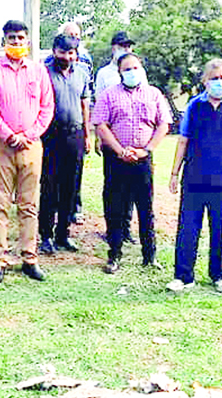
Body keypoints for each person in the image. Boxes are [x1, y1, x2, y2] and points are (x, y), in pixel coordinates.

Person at [166, 59, 222, 293]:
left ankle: (219, 275)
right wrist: (174, 173)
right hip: (194, 179)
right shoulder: (194, 106)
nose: (219, 82)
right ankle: (183, 276)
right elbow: (183, 139)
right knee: (188, 228)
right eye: (214, 78)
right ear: (204, 80)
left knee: (221, 229)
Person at [0, 20, 54, 283]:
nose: (17, 43)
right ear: (3, 42)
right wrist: (9, 135)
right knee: (0, 204)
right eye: (12, 38)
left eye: (21, 38)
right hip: (1, 145)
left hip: (31, 145)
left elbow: (47, 108)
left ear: (28, 41)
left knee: (29, 205)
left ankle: (29, 258)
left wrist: (28, 135)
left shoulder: (39, 72)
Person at [91, 53, 172, 274]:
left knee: (145, 208)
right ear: (119, 73)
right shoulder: (109, 95)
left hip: (143, 159)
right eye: (127, 69)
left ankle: (149, 256)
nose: (132, 72)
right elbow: (100, 124)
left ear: (142, 68)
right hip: (116, 159)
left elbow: (163, 124)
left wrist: (146, 150)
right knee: (114, 207)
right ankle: (114, 255)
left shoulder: (154, 94)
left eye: (135, 67)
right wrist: (120, 150)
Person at [38, 34, 91, 254]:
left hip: (75, 135)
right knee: (50, 186)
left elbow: (84, 103)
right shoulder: (43, 72)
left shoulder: (83, 72)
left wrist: (87, 135)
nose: (67, 57)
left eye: (71, 53)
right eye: (63, 52)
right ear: (54, 51)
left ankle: (63, 234)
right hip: (50, 136)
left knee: (71, 186)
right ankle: (46, 236)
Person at [94, 31, 138, 244]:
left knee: (132, 187)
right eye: (122, 46)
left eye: (129, 46)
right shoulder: (104, 74)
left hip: (134, 139)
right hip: (112, 137)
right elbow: (98, 105)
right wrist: (99, 137)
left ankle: (126, 227)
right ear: (114, 47)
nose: (126, 50)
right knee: (112, 185)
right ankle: (112, 227)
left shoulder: (138, 70)